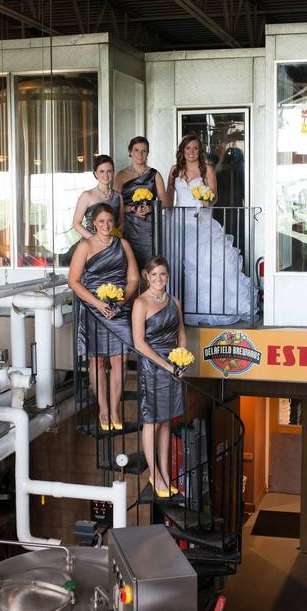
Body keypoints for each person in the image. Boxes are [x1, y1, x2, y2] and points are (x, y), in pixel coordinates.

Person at [165, 134, 255, 325]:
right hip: (180, 224)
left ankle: (207, 309)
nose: (191, 152)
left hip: (202, 223)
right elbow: (168, 200)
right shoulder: (175, 170)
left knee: (206, 265)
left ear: (200, 150)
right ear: (182, 150)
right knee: (179, 266)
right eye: (188, 148)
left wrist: (206, 200)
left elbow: (214, 198)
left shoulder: (208, 170)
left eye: (195, 148)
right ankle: (178, 309)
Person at [69, 203, 139, 431]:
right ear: (94, 224)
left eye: (109, 221)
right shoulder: (85, 246)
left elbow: (134, 280)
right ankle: (103, 409)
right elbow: (74, 281)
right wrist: (98, 304)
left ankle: (116, 408)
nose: (106, 225)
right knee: (97, 360)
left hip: (119, 309)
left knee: (120, 360)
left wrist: (119, 303)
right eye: (101, 222)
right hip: (93, 308)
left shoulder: (124, 245)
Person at [131, 256, 185, 498]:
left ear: (167, 276)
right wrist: (166, 364)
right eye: (154, 275)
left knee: (166, 422)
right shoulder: (141, 303)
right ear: (147, 276)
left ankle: (164, 473)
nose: (158, 279)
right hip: (153, 367)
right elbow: (139, 343)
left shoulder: (175, 301)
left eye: (162, 274)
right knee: (152, 421)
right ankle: (154, 474)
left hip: (173, 366)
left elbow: (181, 333)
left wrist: (181, 358)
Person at [115, 136, 166, 270]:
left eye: (144, 151)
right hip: (128, 226)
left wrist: (149, 209)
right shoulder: (120, 175)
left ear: (148, 153)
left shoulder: (155, 174)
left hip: (149, 227)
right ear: (130, 152)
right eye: (136, 150)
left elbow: (164, 202)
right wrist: (132, 210)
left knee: (150, 264)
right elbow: (115, 203)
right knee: (129, 265)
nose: (140, 154)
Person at [72, 155, 124, 240]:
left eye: (109, 171)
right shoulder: (87, 195)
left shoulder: (118, 196)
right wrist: (95, 240)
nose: (106, 175)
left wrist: (112, 241)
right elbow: (76, 223)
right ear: (96, 174)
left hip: (112, 243)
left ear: (113, 173)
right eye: (102, 171)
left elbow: (121, 224)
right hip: (91, 244)